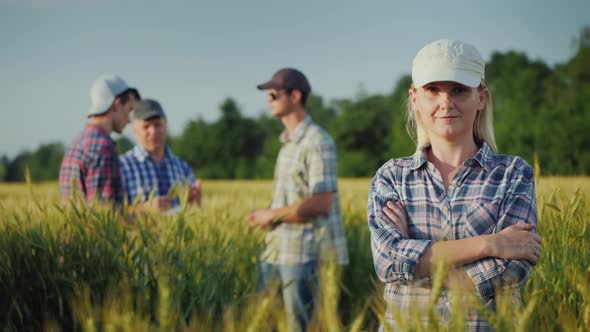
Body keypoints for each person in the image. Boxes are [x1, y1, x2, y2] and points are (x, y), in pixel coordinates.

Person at [368, 39, 542, 331]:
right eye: (432, 90)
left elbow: (511, 269)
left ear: (482, 97)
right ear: (414, 98)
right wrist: (491, 243)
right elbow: (387, 262)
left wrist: (414, 264)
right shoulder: (392, 177)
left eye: (459, 90)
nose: (445, 102)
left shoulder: (512, 173)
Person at [248, 68, 349, 331]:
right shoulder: (288, 143)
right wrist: (266, 216)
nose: (268, 100)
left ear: (295, 95)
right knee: (267, 321)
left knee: (300, 327)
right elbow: (294, 198)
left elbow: (321, 202)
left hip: (304, 254)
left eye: (273, 94)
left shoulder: (317, 141)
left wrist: (271, 215)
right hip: (277, 249)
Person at [59, 74, 140, 205]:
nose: (130, 119)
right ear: (117, 104)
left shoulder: (78, 142)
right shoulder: (103, 147)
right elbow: (104, 212)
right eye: (129, 109)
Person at [119, 99, 201, 213]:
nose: (153, 131)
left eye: (158, 124)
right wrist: (144, 208)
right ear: (134, 130)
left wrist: (195, 201)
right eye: (146, 126)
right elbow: (111, 213)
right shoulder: (122, 167)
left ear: (166, 125)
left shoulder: (183, 167)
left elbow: (194, 211)